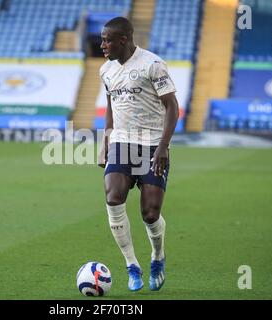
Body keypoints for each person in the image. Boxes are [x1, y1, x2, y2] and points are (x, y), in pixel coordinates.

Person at [98, 17, 179, 292]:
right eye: (102, 39)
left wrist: (163, 146)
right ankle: (132, 265)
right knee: (113, 196)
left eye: (107, 40)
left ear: (123, 39)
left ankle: (157, 257)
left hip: (152, 144)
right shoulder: (106, 71)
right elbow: (111, 105)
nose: (102, 45)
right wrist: (105, 140)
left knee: (150, 213)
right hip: (122, 142)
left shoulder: (152, 64)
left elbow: (172, 107)